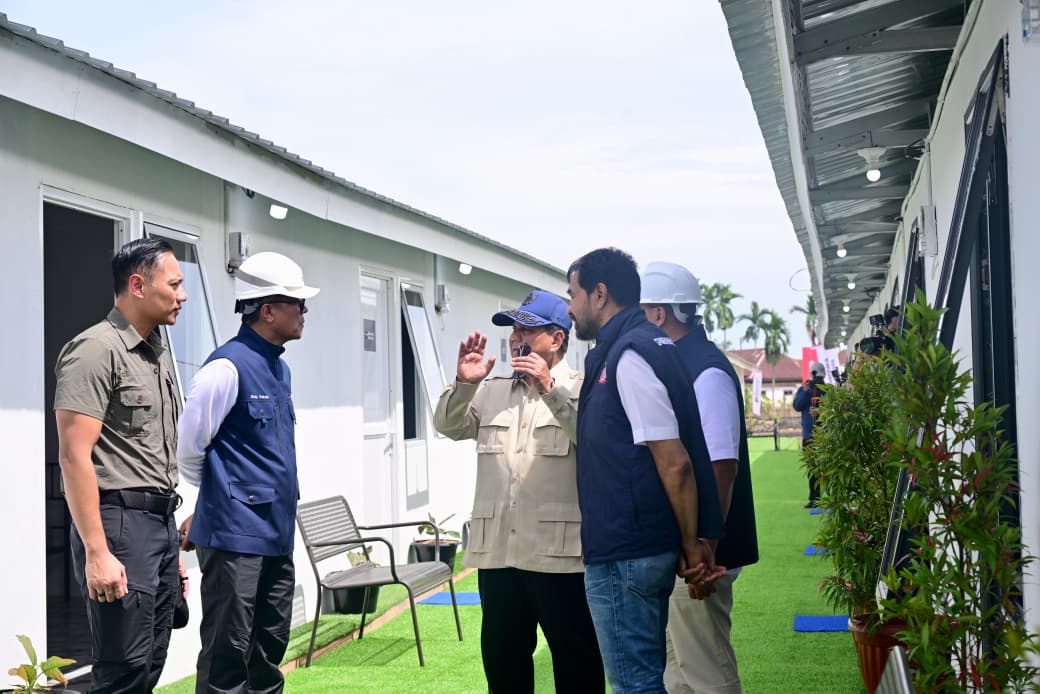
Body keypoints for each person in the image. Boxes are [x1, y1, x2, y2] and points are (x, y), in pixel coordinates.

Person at [566, 247, 726, 693]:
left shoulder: (629, 355)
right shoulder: (649, 346)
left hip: (626, 553)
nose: (570, 307)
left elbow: (675, 462)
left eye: (573, 294)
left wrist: (693, 544)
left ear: (599, 295)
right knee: (644, 678)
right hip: (639, 547)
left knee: (633, 685)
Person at [433, 290, 604, 693]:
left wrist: (550, 390)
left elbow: (596, 444)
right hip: (498, 557)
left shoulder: (583, 389)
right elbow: (447, 425)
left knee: (577, 663)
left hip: (560, 558)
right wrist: (463, 384)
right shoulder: (490, 391)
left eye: (526, 328)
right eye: (512, 330)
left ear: (557, 339)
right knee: (504, 664)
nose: (514, 338)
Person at [176, 251, 319, 694]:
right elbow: (189, 449)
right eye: (297, 303)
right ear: (268, 309)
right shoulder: (225, 368)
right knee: (228, 652)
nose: (304, 312)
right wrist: (222, 497)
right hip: (235, 537)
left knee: (269, 647)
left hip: (275, 533)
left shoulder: (281, 369)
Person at [54, 237, 188, 693]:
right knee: (123, 669)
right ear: (138, 285)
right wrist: (96, 552)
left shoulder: (158, 352)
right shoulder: (94, 351)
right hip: (118, 525)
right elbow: (73, 456)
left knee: (150, 662)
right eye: (174, 284)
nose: (183, 294)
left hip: (157, 524)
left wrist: (169, 543)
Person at [640, 261, 759, 694]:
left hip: (701, 555)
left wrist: (705, 547)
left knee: (706, 670)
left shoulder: (705, 371)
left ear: (659, 314)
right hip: (685, 548)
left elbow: (721, 467)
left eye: (643, 310)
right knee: (679, 672)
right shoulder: (684, 364)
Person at [793, 362, 825, 508]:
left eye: (819, 379)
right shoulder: (803, 390)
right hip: (809, 436)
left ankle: (832, 500)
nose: (817, 382)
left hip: (825, 436)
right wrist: (805, 392)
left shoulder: (828, 390)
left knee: (828, 468)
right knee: (812, 469)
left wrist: (821, 412)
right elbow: (797, 406)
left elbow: (835, 408)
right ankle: (814, 498)